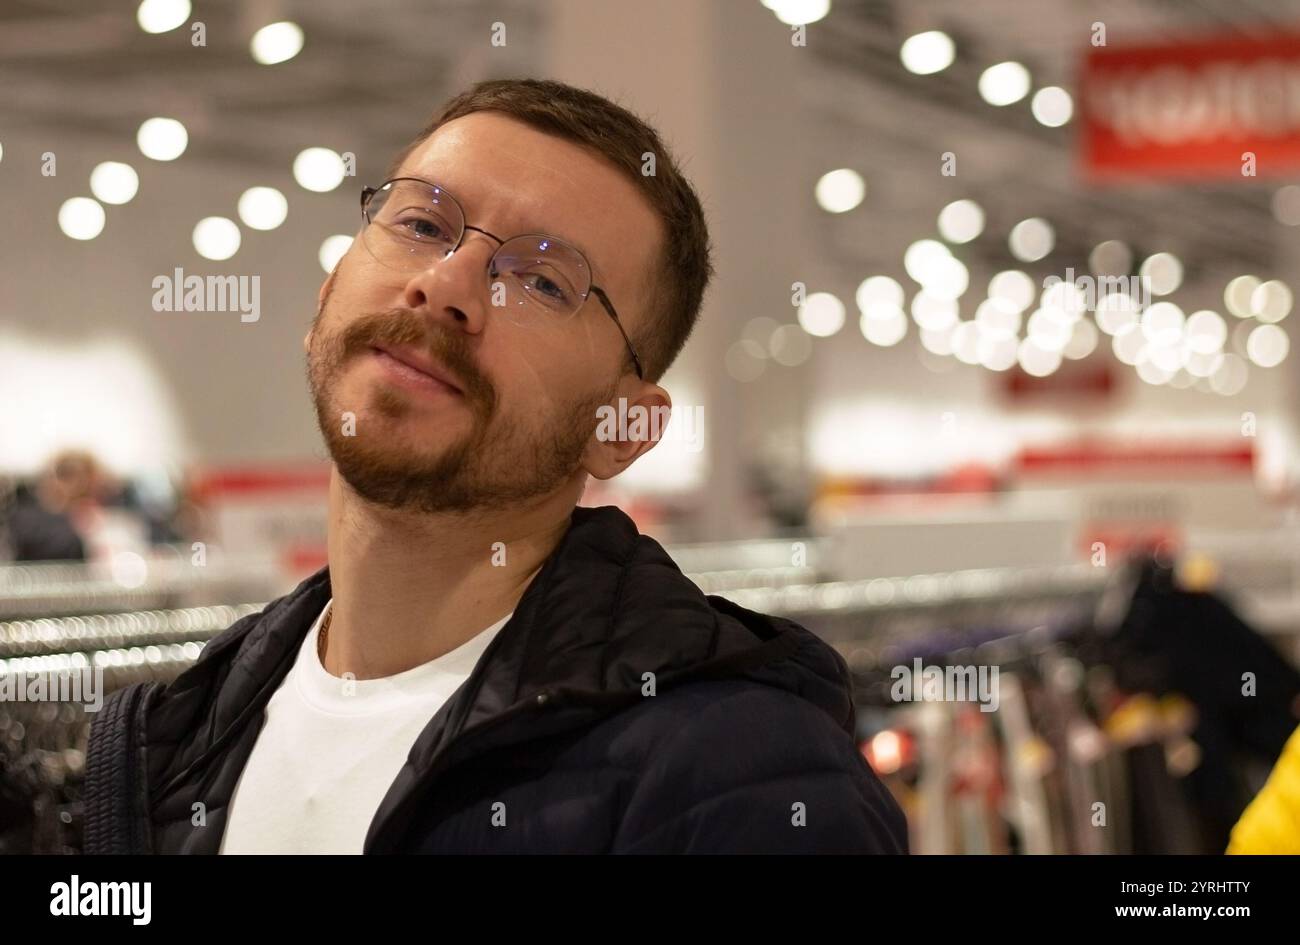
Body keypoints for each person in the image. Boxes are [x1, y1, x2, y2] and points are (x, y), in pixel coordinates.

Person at [84, 78, 907, 854]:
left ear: (620, 429)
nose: (445, 286)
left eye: (543, 282)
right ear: (326, 297)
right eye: (422, 225)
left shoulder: (743, 788)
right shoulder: (163, 741)